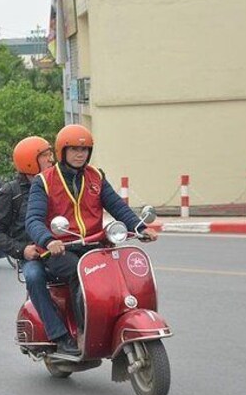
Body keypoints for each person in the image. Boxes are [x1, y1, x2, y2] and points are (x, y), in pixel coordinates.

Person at [25, 124, 158, 338]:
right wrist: (49, 240)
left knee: (117, 271)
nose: (80, 154)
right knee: (81, 272)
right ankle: (85, 331)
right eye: (75, 150)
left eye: (85, 149)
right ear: (62, 151)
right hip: (60, 249)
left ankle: (116, 319)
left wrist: (140, 227)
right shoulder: (44, 181)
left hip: (94, 244)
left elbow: (117, 206)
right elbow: (33, 220)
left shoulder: (96, 176)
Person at [0, 136, 80, 355]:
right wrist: (22, 250)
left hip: (61, 247)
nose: (51, 159)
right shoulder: (10, 192)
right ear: (29, 161)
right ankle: (59, 335)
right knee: (34, 277)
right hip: (32, 253)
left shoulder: (58, 182)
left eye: (50, 154)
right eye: (45, 156)